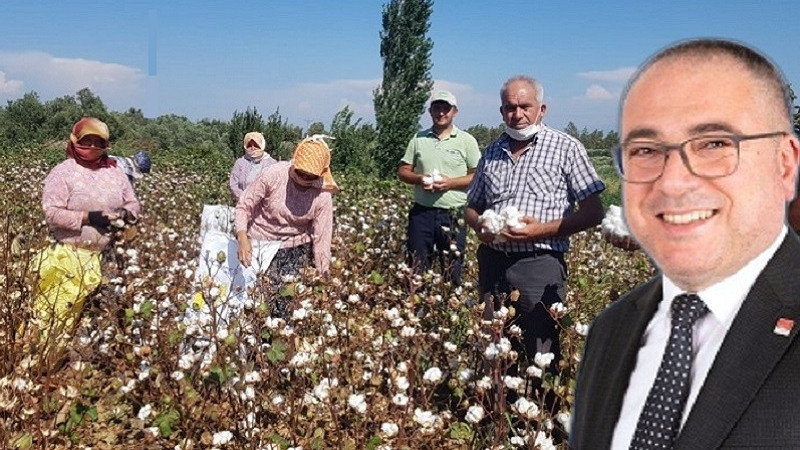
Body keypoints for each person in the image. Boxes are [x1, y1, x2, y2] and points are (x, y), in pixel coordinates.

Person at [571, 39, 800, 449]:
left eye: (714, 143)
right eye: (645, 150)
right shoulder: (609, 330)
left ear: (785, 163)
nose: (673, 183)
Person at [465, 75, 605, 371]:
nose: (517, 115)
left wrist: (537, 231)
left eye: (525, 106)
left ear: (542, 109)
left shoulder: (566, 148)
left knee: (541, 351)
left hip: (539, 265)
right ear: (501, 111)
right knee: (496, 349)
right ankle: (500, 412)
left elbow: (594, 212)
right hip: (492, 264)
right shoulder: (490, 153)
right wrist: (481, 227)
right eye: (509, 108)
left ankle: (539, 413)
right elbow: (471, 207)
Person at [35, 117, 141, 342]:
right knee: (56, 317)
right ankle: (46, 365)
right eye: (87, 141)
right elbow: (52, 214)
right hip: (68, 257)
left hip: (108, 257)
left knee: (101, 318)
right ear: (75, 141)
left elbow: (133, 203)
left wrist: (125, 214)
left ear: (106, 145)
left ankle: (86, 363)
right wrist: (87, 218)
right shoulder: (62, 173)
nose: (92, 147)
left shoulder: (115, 172)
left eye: (98, 142)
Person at [235, 135, 336, 316]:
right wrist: (242, 237)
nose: (304, 178)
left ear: (320, 173)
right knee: (254, 303)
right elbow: (244, 205)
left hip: (295, 250)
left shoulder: (322, 195)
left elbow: (322, 239)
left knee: (284, 307)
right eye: (300, 172)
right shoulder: (274, 174)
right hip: (259, 245)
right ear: (294, 163)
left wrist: (323, 279)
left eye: (310, 176)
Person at [398, 89, 481, 286]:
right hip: (422, 213)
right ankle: (419, 312)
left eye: (446, 108)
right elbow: (403, 171)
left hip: (453, 214)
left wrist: (450, 183)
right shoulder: (418, 138)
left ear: (455, 112)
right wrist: (420, 179)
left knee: (452, 268)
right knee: (417, 266)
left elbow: (478, 175)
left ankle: (448, 310)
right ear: (430, 111)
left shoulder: (466, 141)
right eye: (437, 108)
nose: (441, 112)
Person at [230, 131, 277, 201]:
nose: (253, 148)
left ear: (261, 145)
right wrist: (244, 197)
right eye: (249, 145)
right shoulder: (240, 162)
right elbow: (233, 184)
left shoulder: (272, 163)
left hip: (265, 206)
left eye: (256, 145)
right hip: (244, 203)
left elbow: (275, 186)